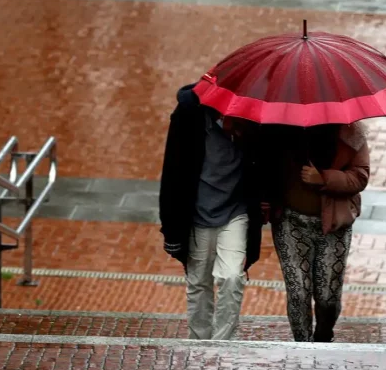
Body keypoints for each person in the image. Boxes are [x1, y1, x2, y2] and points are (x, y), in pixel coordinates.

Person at [158, 84, 263, 340]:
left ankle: (222, 344)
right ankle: (199, 343)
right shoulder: (189, 118)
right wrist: (171, 229)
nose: (237, 131)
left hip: (235, 212)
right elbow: (172, 172)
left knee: (232, 277)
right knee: (198, 282)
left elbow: (265, 165)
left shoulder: (252, 122)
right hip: (196, 214)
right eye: (234, 124)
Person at [265, 122, 369, 342]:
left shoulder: (351, 132)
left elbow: (360, 176)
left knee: (327, 298)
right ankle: (302, 346)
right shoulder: (279, 127)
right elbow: (262, 166)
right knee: (298, 292)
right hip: (290, 222)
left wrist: (324, 178)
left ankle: (323, 338)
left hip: (333, 225)